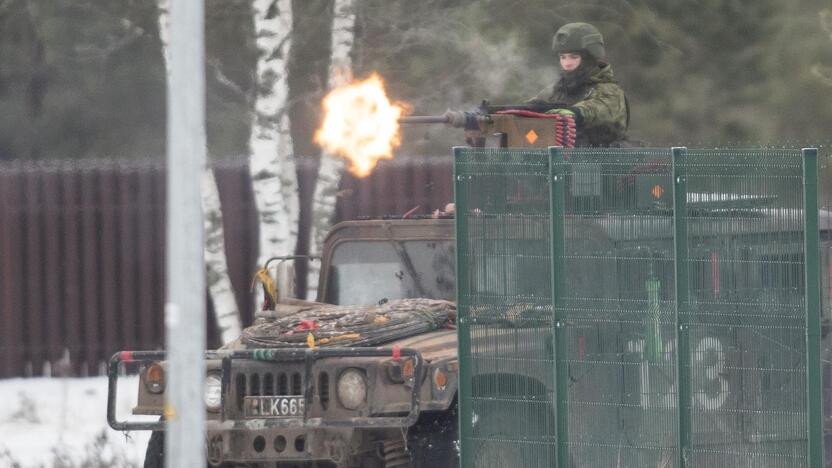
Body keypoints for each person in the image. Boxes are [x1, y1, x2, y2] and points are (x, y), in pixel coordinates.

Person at [529, 22, 629, 147]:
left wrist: (575, 112)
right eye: (563, 57)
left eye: (573, 57)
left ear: (588, 58)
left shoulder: (610, 91)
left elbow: (599, 109)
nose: (567, 63)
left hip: (603, 162)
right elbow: (529, 109)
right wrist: (528, 109)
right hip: (562, 161)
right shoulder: (556, 90)